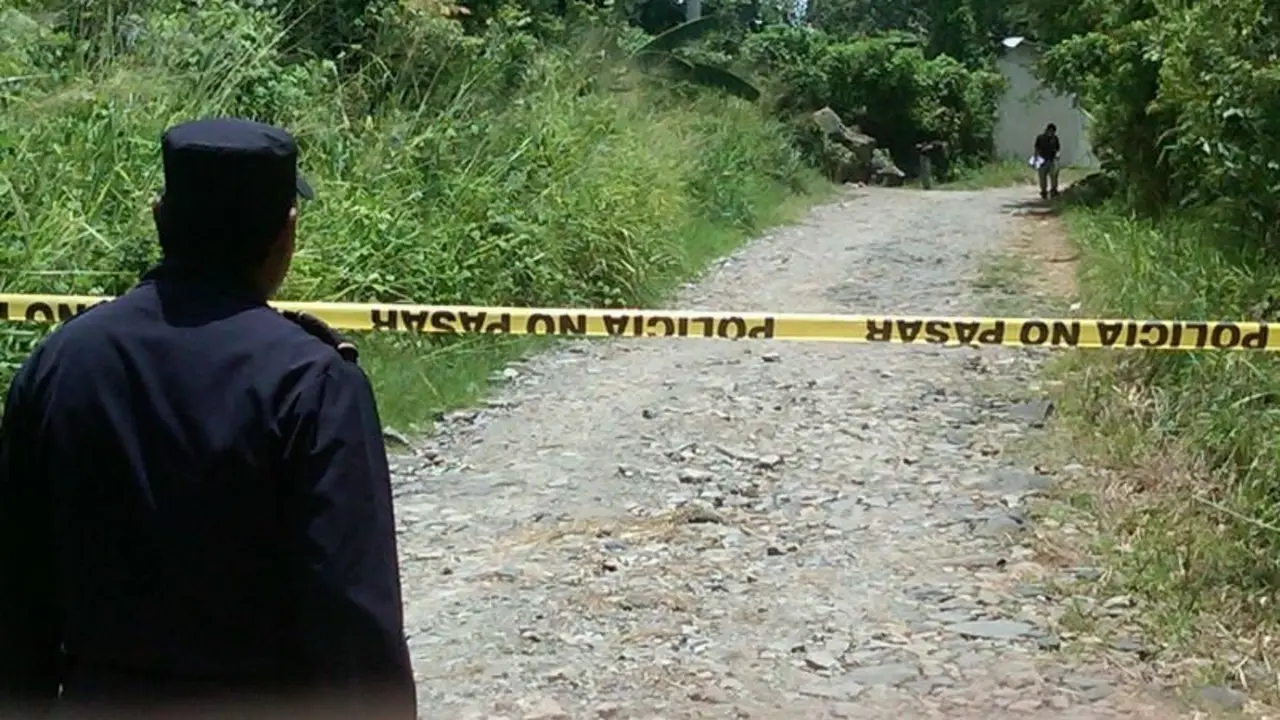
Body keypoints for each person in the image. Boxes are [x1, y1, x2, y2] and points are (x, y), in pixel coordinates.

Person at [0, 118, 417, 719]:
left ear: (159, 218)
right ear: (285, 235)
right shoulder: (311, 382)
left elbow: (17, 596)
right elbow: (352, 617)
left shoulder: (61, 361)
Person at [1033, 123, 1061, 200]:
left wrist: (1058, 155)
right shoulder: (1040, 138)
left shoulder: (1055, 139)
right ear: (1047, 130)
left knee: (1054, 176)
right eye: (1050, 131)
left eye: (1053, 132)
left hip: (1052, 160)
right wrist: (1036, 159)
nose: (1051, 133)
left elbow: (1058, 149)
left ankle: (1053, 190)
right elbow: (1036, 148)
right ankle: (1043, 191)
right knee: (1042, 177)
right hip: (1042, 160)